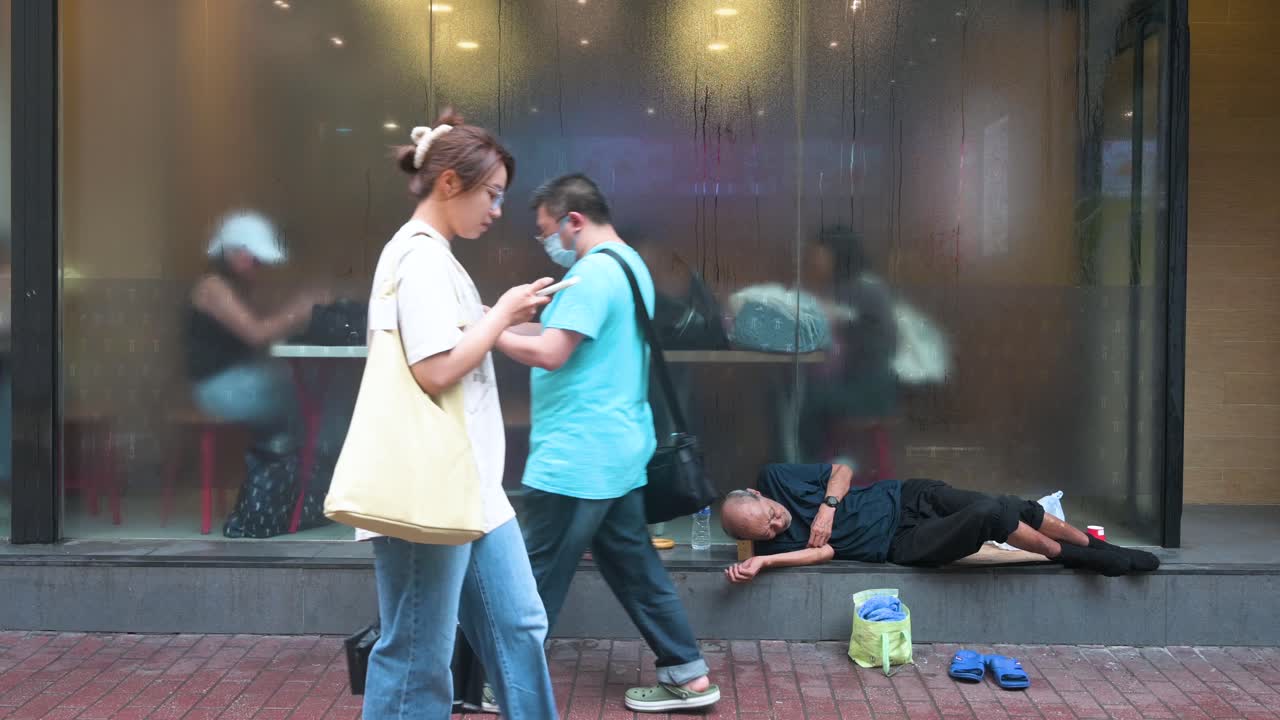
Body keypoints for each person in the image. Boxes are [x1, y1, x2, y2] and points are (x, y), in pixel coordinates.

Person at [496, 174, 720, 713]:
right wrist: (494, 321)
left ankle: (504, 684)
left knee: (534, 572)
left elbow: (550, 353)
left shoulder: (593, 275)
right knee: (633, 565)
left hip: (578, 457)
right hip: (617, 449)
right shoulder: (628, 265)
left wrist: (486, 334)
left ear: (574, 221)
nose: (545, 242)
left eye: (546, 231)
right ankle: (688, 676)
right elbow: (566, 343)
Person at [360, 111, 557, 720]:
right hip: (429, 486)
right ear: (450, 183)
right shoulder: (417, 259)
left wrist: (498, 318)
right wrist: (500, 315)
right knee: (418, 655)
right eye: (492, 194)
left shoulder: (436, 259)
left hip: (467, 482)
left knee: (520, 625)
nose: (497, 210)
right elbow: (434, 370)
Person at [721, 463, 1161, 583]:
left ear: (758, 494)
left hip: (906, 495)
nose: (778, 524)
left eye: (773, 515)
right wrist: (766, 563)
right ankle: (1071, 557)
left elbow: (843, 468)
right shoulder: (768, 546)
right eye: (770, 532)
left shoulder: (776, 477)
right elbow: (826, 551)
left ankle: (1093, 547)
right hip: (903, 543)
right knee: (989, 514)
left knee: (1007, 504)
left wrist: (828, 506)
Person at [186, 210, 332, 538]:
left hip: (237, 382)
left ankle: (299, 482)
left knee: (308, 395)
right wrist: (301, 309)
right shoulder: (213, 288)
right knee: (311, 399)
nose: (258, 266)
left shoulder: (234, 287)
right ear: (234, 252)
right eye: (254, 259)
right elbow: (255, 333)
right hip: (219, 389)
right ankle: (301, 484)